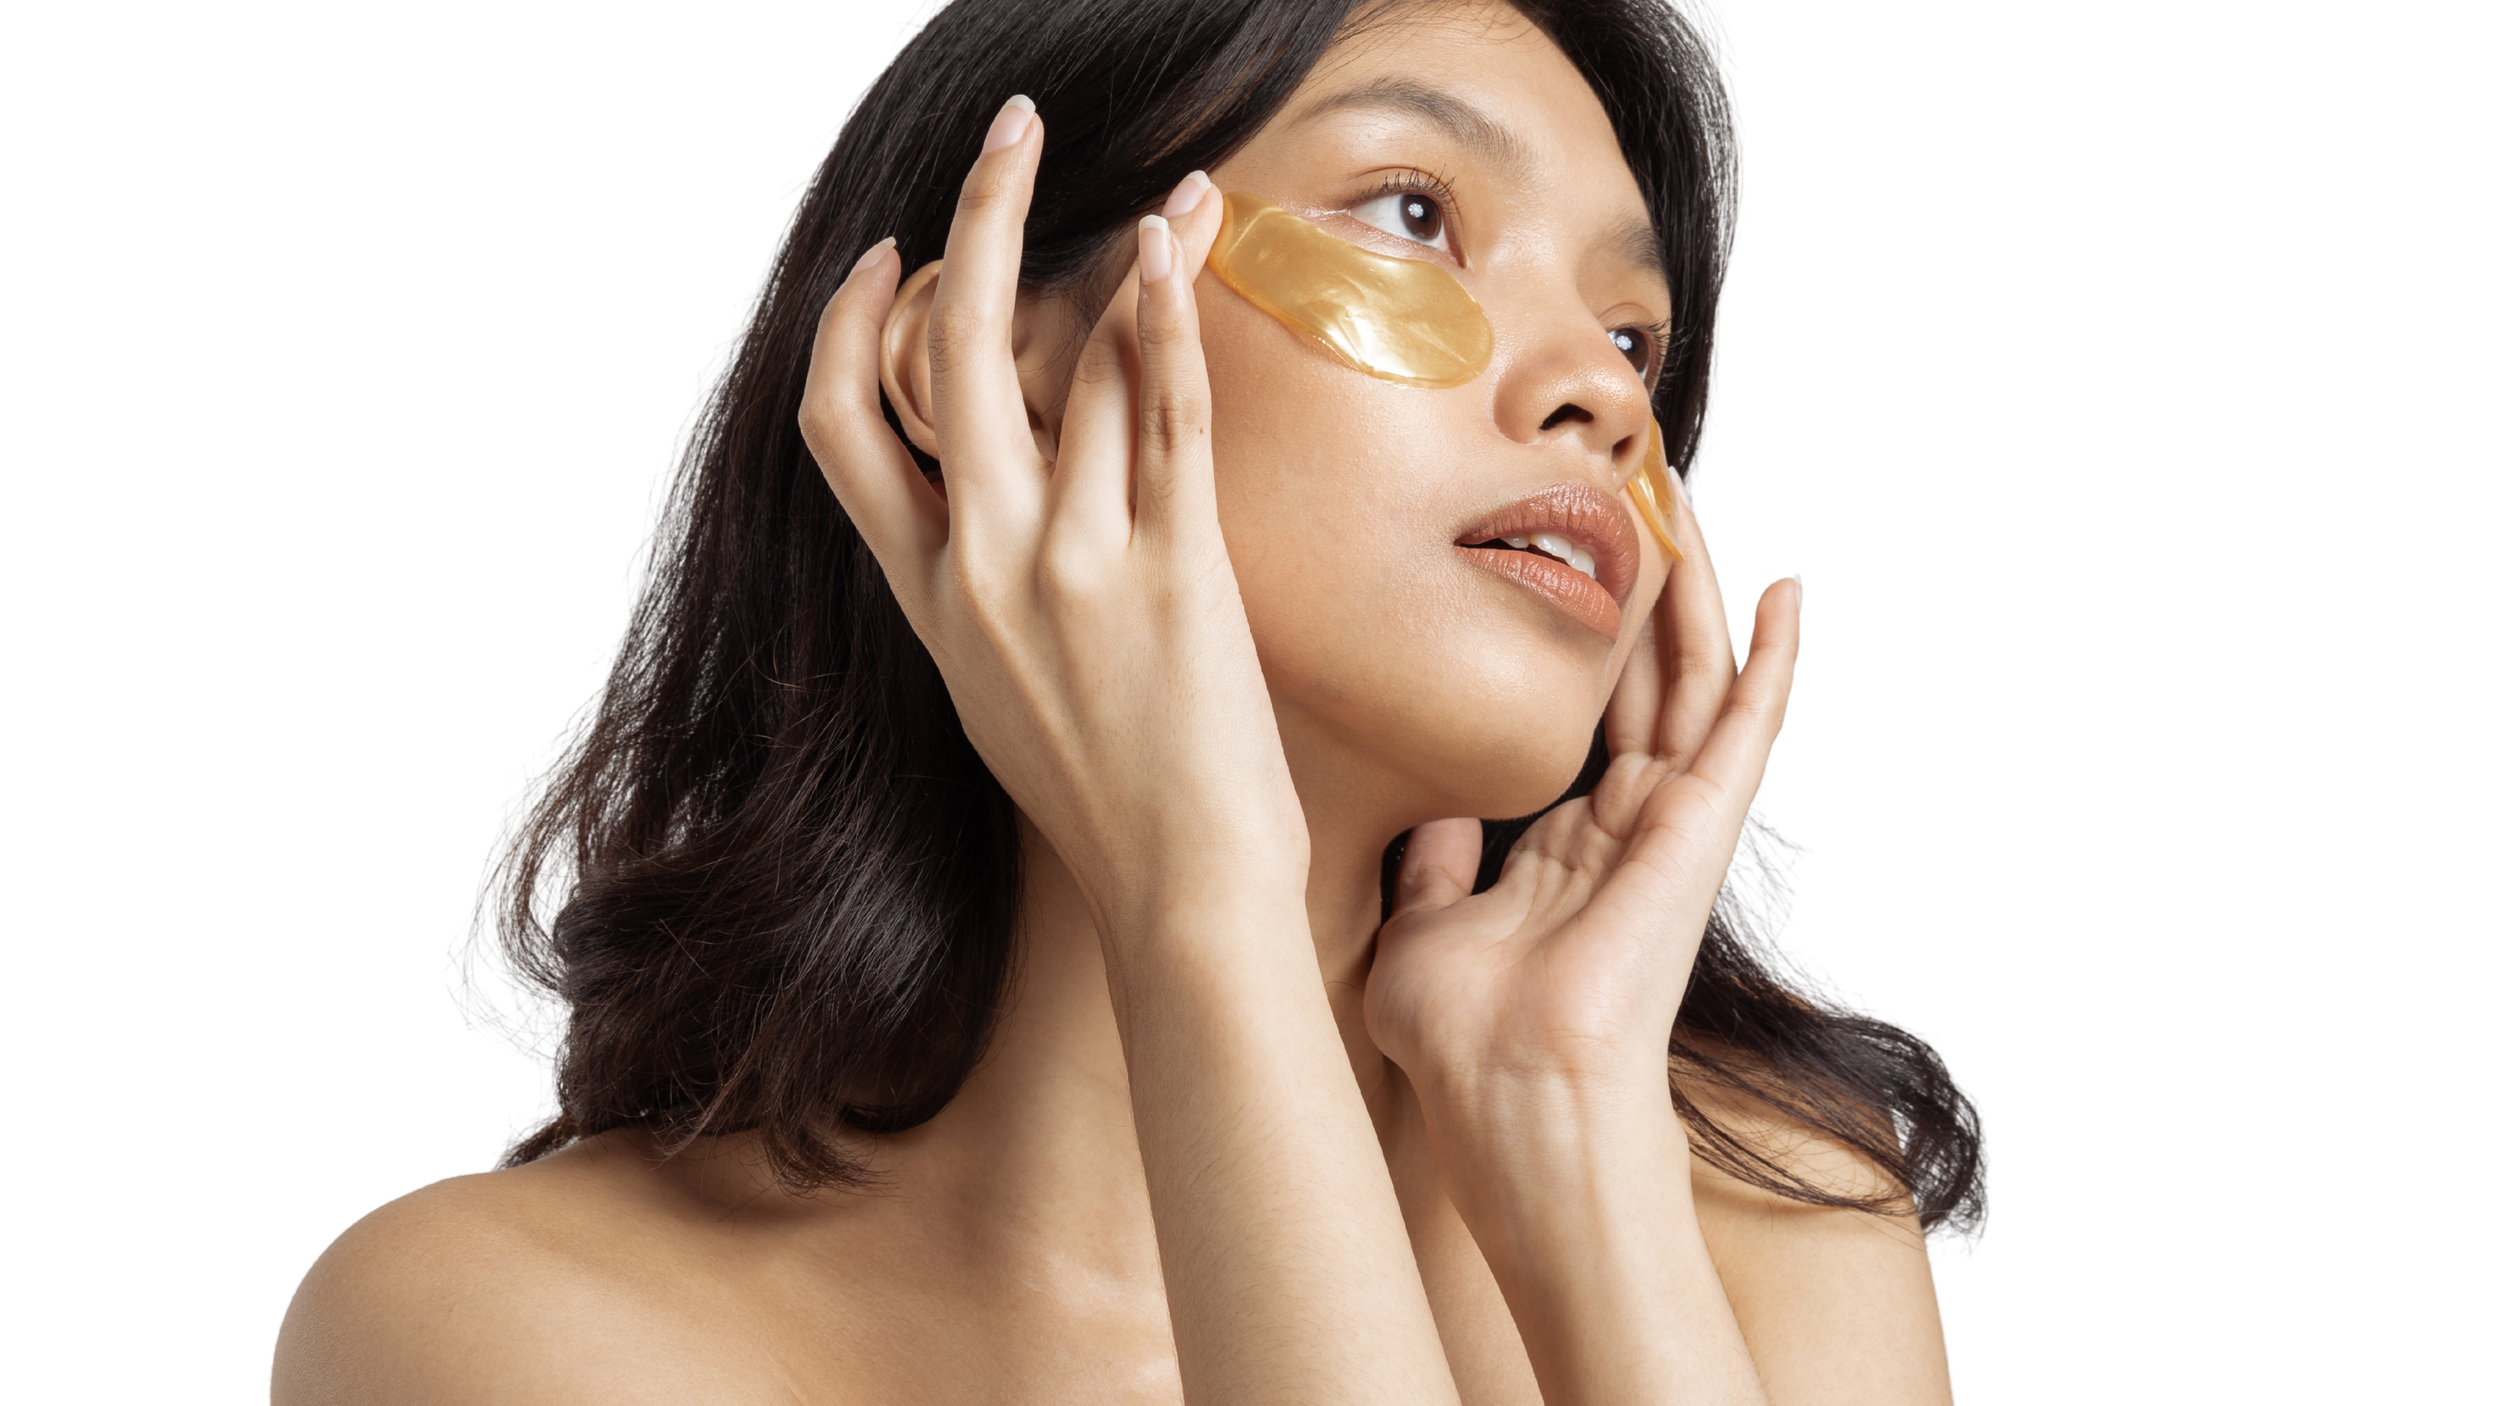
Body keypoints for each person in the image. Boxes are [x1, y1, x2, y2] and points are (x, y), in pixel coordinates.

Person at [271, 2, 1988, 1401]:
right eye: (1413, 214)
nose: (1601, 405)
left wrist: (1569, 1136)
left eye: (1635, 337)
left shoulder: (1778, 1241)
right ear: (985, 367)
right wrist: (1201, 901)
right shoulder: (522, 1334)